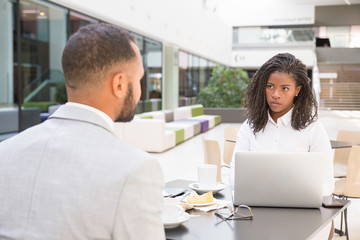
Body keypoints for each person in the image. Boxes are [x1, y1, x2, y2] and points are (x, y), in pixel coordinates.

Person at [0, 23, 165, 240]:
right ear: (119, 84)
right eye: (139, 79)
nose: (141, 90)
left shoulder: (5, 151)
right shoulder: (135, 170)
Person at [230, 53, 335, 239]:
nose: (275, 94)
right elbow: (234, 176)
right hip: (255, 214)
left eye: (284, 88)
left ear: (297, 90)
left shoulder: (313, 129)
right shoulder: (250, 127)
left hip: (302, 216)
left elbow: (327, 183)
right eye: (270, 86)